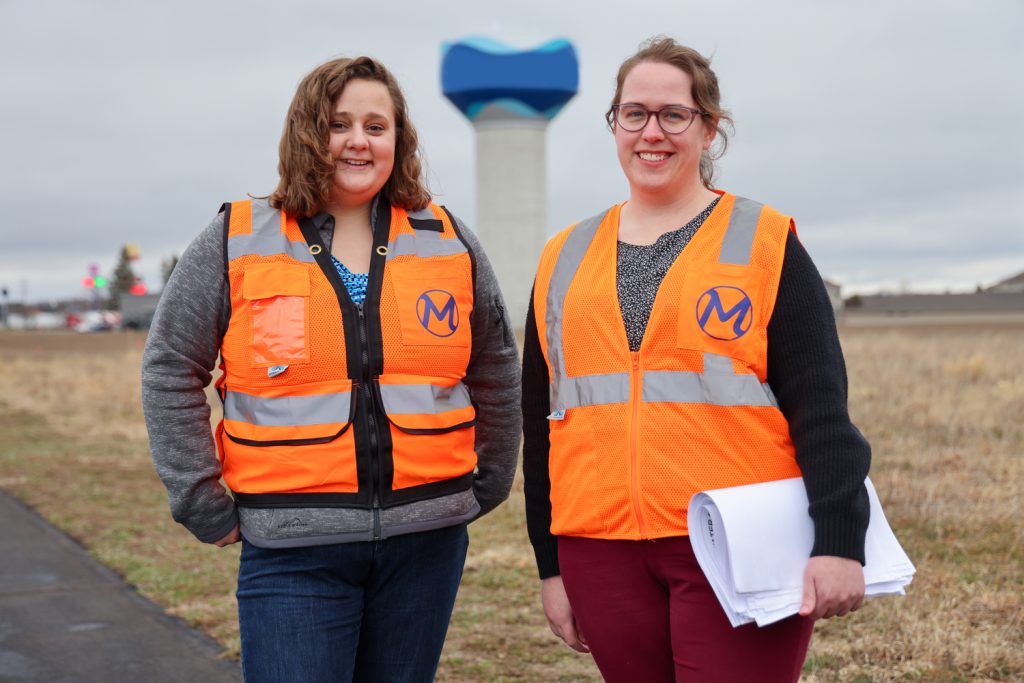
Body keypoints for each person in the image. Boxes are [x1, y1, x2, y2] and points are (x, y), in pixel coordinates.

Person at [142, 55, 521, 683]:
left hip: (427, 544)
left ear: (399, 139)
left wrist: (491, 480)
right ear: (306, 133)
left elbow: (497, 367)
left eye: (377, 125)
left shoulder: (447, 237)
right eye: (338, 123)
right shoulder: (237, 236)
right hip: (294, 551)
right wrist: (200, 499)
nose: (358, 141)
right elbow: (169, 369)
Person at [521, 37, 871, 682]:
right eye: (634, 114)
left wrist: (839, 542)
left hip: (740, 541)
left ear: (708, 128)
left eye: (673, 114)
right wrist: (551, 565)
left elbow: (822, 408)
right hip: (599, 548)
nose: (651, 132)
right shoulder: (561, 257)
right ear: (615, 124)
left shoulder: (763, 241)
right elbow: (541, 426)